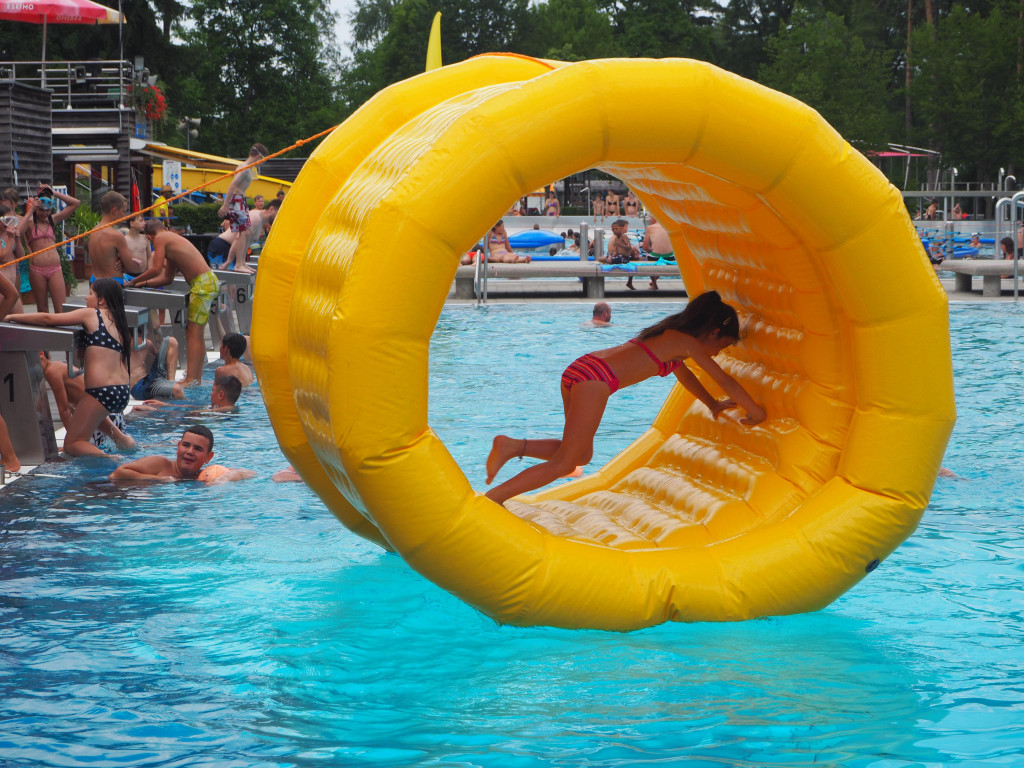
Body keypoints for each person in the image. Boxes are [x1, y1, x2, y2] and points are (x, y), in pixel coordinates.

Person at [483, 291, 766, 505]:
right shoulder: (685, 342)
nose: (718, 353)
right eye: (722, 345)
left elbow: (686, 377)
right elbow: (724, 380)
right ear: (713, 332)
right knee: (566, 464)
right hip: (596, 378)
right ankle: (494, 498)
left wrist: (712, 404)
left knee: (581, 455)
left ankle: (513, 446)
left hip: (583, 367)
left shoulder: (671, 337)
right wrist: (755, 412)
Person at [8, 278, 132, 457]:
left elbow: (48, 318)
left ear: (101, 300)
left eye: (90, 293)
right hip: (121, 391)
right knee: (91, 414)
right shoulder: (119, 321)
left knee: (72, 445)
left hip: (101, 392)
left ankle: (112, 459)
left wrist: (11, 317)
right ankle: (124, 441)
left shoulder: (92, 314)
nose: (86, 297)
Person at [131, 221, 221, 386]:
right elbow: (167, 278)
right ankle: (196, 378)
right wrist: (141, 284)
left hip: (202, 285)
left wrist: (133, 282)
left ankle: (191, 379)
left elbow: (156, 269)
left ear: (150, 237)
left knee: (193, 333)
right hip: (208, 282)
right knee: (197, 334)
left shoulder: (160, 238)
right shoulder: (170, 240)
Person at [39, 350, 134, 452]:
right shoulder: (59, 366)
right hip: (109, 412)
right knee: (124, 443)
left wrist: (70, 440)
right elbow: (71, 408)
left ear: (41, 354)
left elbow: (64, 410)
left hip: (98, 413)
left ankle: (113, 458)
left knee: (76, 447)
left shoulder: (51, 371)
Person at [108, 425, 254, 484]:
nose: (189, 451)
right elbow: (116, 474)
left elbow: (249, 473)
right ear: (178, 447)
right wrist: (162, 479)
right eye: (185, 445)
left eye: (198, 449)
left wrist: (223, 479)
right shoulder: (160, 464)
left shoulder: (203, 475)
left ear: (208, 457)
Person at [17, 183, 80, 313]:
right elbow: (18, 232)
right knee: (43, 309)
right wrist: (31, 210)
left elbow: (75, 203)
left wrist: (53, 193)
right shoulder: (29, 223)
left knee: (61, 309)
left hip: (55, 268)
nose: (44, 213)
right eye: (41, 210)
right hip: (37, 269)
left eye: (47, 210)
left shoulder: (52, 220)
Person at [218, 143, 268, 273]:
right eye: (262, 161)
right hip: (237, 200)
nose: (261, 164)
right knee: (244, 232)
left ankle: (242, 262)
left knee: (248, 232)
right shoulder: (244, 168)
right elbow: (232, 185)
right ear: (258, 157)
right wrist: (225, 205)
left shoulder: (248, 168)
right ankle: (238, 264)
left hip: (241, 200)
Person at [133, 373, 242, 413]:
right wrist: (164, 404)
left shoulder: (222, 411)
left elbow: (192, 413)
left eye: (212, 390)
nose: (211, 393)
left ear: (221, 395)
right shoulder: (224, 408)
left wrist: (155, 410)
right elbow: (192, 408)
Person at [88, 191, 134, 283]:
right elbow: (131, 267)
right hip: (112, 283)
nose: (125, 216)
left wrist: (121, 262)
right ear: (115, 211)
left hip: (94, 281)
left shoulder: (93, 232)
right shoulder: (116, 235)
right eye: (123, 211)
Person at [130, 324, 184, 401]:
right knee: (177, 390)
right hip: (139, 387)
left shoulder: (147, 344)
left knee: (171, 341)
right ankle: (173, 396)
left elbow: (159, 360)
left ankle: (171, 382)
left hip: (152, 377)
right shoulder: (122, 347)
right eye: (138, 335)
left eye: (141, 335)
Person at [628, 214, 674, 291]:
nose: (649, 220)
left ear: (654, 219)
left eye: (650, 218)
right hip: (670, 257)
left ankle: (654, 284)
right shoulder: (669, 226)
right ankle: (653, 281)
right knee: (658, 259)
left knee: (648, 257)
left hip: (655, 257)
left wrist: (649, 250)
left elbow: (645, 247)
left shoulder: (650, 228)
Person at [0, 205, 25, 314]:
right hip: (2, 289)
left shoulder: (10, 235)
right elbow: (4, 258)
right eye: (7, 220)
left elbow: (21, 256)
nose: (10, 223)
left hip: (12, 286)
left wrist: (17, 240)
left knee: (20, 318)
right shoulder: (7, 237)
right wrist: (11, 238)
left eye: (12, 220)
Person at [121, 213, 150, 279]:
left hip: (144, 274)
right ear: (132, 223)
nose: (144, 223)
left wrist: (149, 272)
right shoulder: (124, 240)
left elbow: (149, 257)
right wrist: (132, 259)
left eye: (144, 221)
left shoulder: (145, 238)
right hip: (127, 275)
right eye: (141, 221)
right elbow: (120, 256)